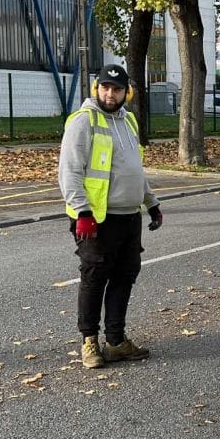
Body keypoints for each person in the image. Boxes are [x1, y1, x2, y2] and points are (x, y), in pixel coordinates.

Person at [58, 63, 163, 369]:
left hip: (129, 217)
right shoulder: (84, 121)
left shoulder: (129, 121)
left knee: (124, 277)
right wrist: (82, 212)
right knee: (94, 278)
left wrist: (151, 203)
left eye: (116, 89)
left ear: (126, 92)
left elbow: (135, 170)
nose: (109, 93)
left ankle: (115, 341)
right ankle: (89, 343)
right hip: (97, 219)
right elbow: (69, 172)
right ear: (96, 89)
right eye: (105, 87)